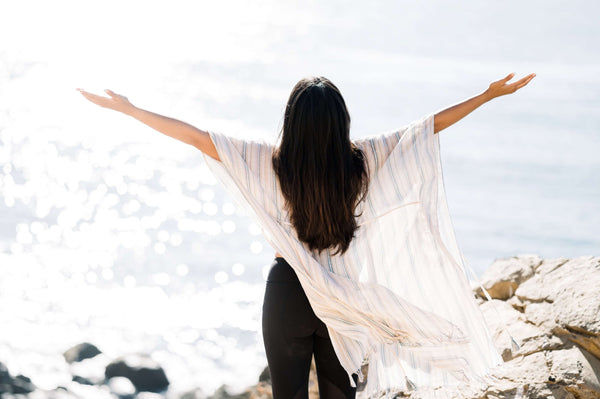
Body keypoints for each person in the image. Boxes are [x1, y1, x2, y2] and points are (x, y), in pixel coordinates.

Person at [77, 71, 535, 399]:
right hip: (343, 302)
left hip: (287, 294)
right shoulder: (362, 161)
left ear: (291, 121)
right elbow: (428, 127)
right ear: (341, 122)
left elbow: (196, 137)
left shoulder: (269, 162)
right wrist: (486, 95)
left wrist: (131, 110)